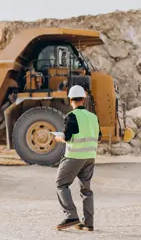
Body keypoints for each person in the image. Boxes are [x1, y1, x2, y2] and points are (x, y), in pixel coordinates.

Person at [54, 85, 102, 231]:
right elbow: (98, 137)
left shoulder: (71, 116)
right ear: (84, 99)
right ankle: (88, 223)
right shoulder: (93, 117)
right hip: (90, 157)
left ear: (70, 100)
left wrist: (58, 138)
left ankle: (71, 215)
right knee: (86, 190)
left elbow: (67, 137)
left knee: (61, 184)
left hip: (74, 156)